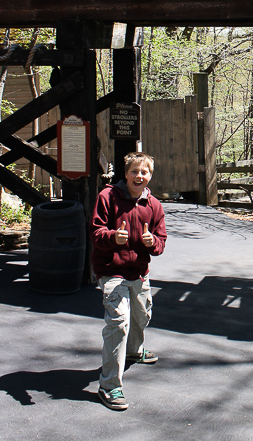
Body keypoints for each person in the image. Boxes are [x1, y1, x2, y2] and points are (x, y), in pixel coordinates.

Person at [91, 151, 167, 411]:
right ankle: (109, 385)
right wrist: (113, 237)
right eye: (135, 171)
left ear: (150, 176)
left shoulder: (154, 205)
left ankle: (135, 351)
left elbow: (161, 243)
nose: (139, 176)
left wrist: (152, 243)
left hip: (139, 272)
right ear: (126, 174)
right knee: (119, 323)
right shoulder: (107, 197)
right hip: (112, 271)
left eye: (144, 172)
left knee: (141, 316)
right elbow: (96, 233)